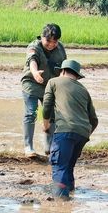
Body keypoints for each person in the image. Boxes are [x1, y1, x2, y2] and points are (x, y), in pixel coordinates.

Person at [42, 60, 98, 199]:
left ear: (62, 71)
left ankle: (61, 200)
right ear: (77, 76)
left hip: (65, 130)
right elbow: (94, 120)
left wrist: (46, 124)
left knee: (59, 164)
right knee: (69, 164)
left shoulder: (53, 81)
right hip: (83, 133)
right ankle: (70, 191)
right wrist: (85, 133)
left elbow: (47, 106)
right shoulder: (83, 90)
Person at [21, 23, 67, 156]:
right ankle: (28, 147)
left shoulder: (60, 49)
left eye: (55, 41)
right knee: (31, 113)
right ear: (42, 37)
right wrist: (35, 73)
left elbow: (64, 66)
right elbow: (32, 60)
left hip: (50, 85)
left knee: (51, 115)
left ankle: (49, 147)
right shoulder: (34, 46)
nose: (51, 44)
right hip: (32, 83)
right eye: (48, 41)